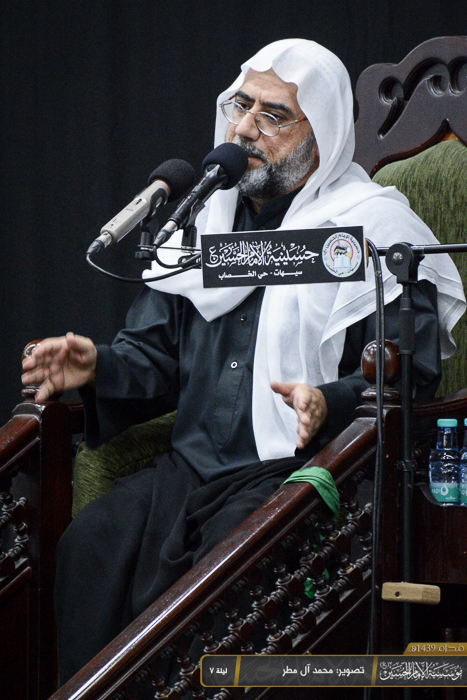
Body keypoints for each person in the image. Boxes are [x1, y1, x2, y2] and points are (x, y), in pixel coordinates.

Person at [21, 39, 465, 682]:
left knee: (222, 573)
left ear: (323, 134)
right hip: (189, 472)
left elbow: (412, 371)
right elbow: (156, 358)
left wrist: (331, 400)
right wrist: (98, 368)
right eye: (240, 105)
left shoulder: (373, 228)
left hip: (296, 472)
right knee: (91, 543)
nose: (244, 129)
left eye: (272, 115)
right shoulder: (201, 226)